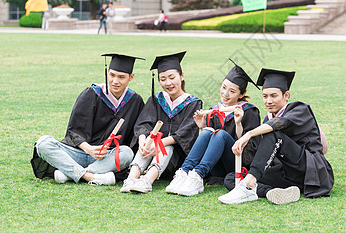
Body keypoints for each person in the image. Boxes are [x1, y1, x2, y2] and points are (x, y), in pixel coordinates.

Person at [219, 68, 334, 205]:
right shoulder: (267, 120)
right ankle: (268, 192)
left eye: (273, 96)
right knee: (232, 178)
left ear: (286, 95)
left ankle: (249, 185)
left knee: (273, 133)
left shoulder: (299, 109)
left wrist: (249, 134)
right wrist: (239, 126)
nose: (268, 101)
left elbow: (280, 124)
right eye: (265, 96)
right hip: (286, 172)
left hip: (309, 168)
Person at [31, 54, 145, 185]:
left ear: (131, 77)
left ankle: (70, 174)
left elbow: (135, 136)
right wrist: (89, 149)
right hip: (78, 153)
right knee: (43, 143)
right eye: (112, 75)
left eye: (121, 77)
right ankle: (89, 176)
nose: (115, 81)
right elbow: (73, 131)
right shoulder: (91, 93)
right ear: (107, 72)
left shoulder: (135, 101)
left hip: (106, 158)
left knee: (126, 153)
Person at [165, 59, 261, 197]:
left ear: (241, 94)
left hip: (236, 165)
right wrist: (202, 126)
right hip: (215, 166)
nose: (225, 94)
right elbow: (209, 146)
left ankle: (198, 176)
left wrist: (238, 123)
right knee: (208, 131)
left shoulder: (249, 111)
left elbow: (250, 148)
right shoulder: (214, 110)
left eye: (232, 91)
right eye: (223, 87)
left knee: (220, 134)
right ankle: (184, 172)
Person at [120, 51, 202, 193]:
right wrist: (143, 141)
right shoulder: (156, 100)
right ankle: (131, 178)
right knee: (145, 146)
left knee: (166, 148)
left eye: (172, 77)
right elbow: (143, 123)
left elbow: (186, 133)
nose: (168, 83)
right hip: (151, 152)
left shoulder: (193, 103)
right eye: (162, 79)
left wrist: (160, 144)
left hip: (176, 160)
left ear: (181, 76)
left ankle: (147, 181)